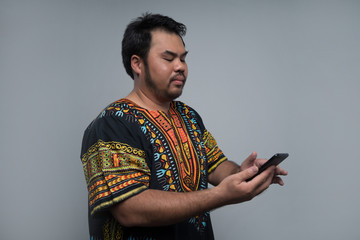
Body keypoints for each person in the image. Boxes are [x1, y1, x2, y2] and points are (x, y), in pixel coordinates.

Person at [80, 13, 288, 240]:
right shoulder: (112, 124)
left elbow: (216, 166)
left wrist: (246, 173)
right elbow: (130, 209)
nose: (180, 67)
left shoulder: (188, 116)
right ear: (137, 64)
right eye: (169, 59)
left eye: (183, 58)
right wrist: (220, 196)